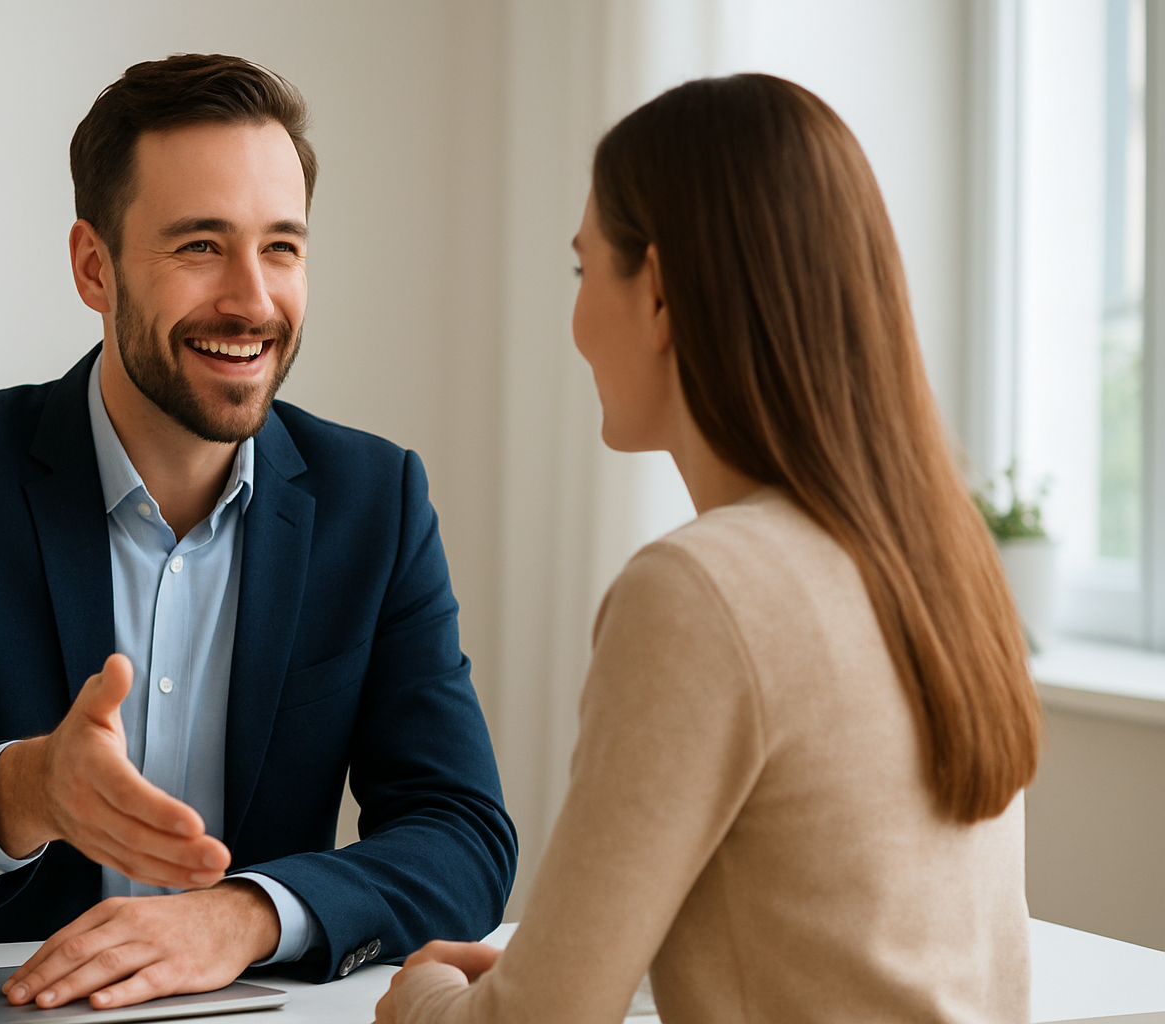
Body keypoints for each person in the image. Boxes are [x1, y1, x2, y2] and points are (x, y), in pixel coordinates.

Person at [0, 53, 516, 1012]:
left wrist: (246, 913)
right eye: (201, 246)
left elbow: (461, 833)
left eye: (281, 246)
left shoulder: (374, 500)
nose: (252, 300)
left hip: (249, 1006)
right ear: (96, 266)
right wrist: (31, 789)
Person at [376, 74, 1042, 1024]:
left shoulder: (702, 590)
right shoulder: (940, 560)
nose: (574, 324)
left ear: (659, 294)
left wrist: (425, 996)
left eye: (583, 270)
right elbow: (839, 943)